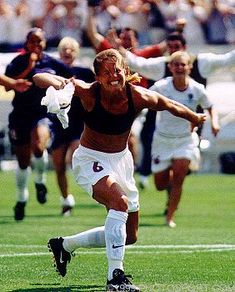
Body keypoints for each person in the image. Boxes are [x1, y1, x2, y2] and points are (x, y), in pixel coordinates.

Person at [33, 48, 206, 291]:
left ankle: (65, 246)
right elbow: (38, 78)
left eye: (117, 70)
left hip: (121, 161)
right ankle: (115, 277)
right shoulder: (88, 92)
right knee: (119, 203)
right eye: (106, 72)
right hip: (90, 159)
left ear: (125, 70)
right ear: (98, 77)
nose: (113, 75)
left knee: (130, 234)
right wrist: (61, 82)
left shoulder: (136, 95)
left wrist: (194, 118)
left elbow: (167, 104)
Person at [124, 32, 235, 189]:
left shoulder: (202, 63)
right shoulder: (161, 66)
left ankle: (174, 191)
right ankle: (163, 178)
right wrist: (116, 47)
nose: (173, 52)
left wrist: (214, 123)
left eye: (177, 47)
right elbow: (137, 63)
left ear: (185, 48)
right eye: (170, 48)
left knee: (182, 168)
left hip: (190, 126)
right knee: (162, 181)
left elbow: (227, 60)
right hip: (163, 128)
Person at [5, 27, 72, 221]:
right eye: (32, 41)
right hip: (19, 115)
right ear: (26, 43)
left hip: (41, 114)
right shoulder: (17, 62)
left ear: (44, 43)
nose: (36, 44)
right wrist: (29, 67)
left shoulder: (52, 63)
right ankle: (21, 199)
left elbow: (70, 77)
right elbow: (8, 83)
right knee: (23, 161)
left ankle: (40, 181)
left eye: (39, 41)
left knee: (39, 146)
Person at [150, 51, 220, 228]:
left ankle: (170, 217)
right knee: (160, 184)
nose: (180, 68)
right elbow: (143, 99)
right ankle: (170, 175)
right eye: (176, 64)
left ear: (189, 67)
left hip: (185, 140)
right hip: (163, 140)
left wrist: (215, 124)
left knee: (180, 177)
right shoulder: (161, 86)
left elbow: (210, 107)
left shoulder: (197, 88)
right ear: (170, 67)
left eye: (183, 64)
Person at [49, 36, 95, 215]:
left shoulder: (84, 72)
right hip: (57, 123)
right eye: (64, 49)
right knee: (58, 165)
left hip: (78, 123)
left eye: (71, 49)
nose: (67, 52)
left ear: (76, 53)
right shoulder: (51, 71)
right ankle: (66, 200)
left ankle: (100, 190)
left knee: (72, 158)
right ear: (60, 52)